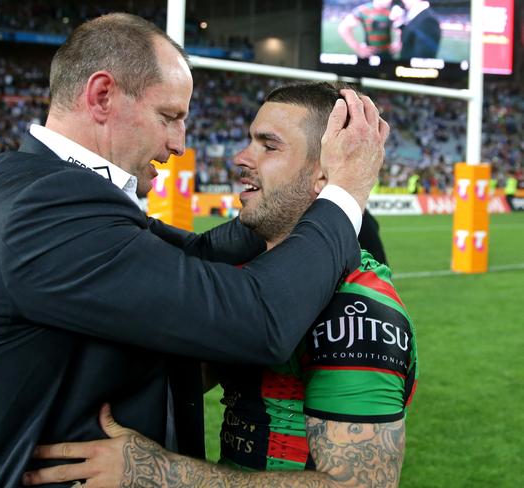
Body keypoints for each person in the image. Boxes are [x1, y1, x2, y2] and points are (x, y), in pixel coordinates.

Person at [0, 14, 388, 487]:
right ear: (101, 96)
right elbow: (259, 319)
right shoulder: (48, 207)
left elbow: (195, 252)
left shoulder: (34, 184)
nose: (179, 144)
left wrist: (279, 204)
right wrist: (344, 192)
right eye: (169, 117)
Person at [21, 82, 416, 488]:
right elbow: (177, 372)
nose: (241, 158)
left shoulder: (357, 313)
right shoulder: (251, 278)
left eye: (269, 145)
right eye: (249, 141)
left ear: (325, 172)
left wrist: (163, 474)